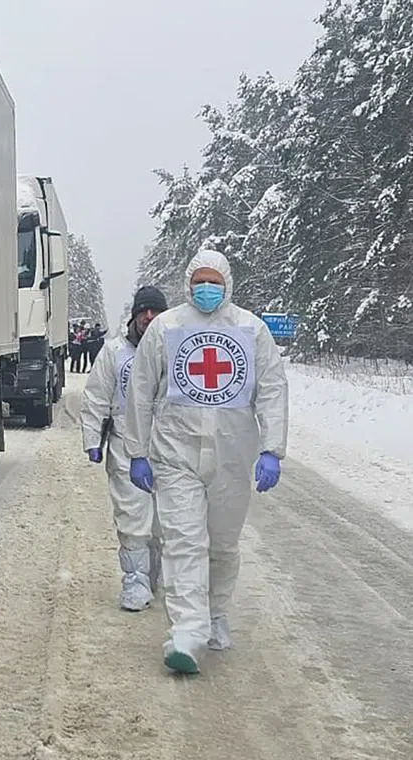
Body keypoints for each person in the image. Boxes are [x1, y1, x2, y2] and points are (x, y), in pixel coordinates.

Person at [123, 249, 288, 675]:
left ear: (228, 283)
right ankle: (187, 632)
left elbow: (272, 388)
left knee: (222, 544)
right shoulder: (166, 327)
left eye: (215, 281)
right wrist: (137, 452)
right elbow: (141, 391)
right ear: (188, 283)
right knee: (183, 541)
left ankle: (215, 613)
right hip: (175, 454)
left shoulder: (250, 329)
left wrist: (272, 448)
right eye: (200, 281)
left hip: (232, 456)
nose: (207, 289)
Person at [81, 287, 168, 611]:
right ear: (134, 315)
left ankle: (155, 576)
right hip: (126, 447)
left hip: (170, 446)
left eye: (155, 312)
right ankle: (135, 580)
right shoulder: (114, 352)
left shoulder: (175, 350)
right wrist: (93, 439)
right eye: (144, 311)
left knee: (165, 519)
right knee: (132, 517)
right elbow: (96, 397)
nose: (149, 317)